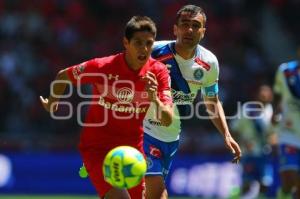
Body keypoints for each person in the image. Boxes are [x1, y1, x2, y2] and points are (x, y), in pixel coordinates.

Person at [40, 16, 173, 199]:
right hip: (98, 149)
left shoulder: (159, 72)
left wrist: (154, 99)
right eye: (138, 43)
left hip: (133, 151)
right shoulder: (103, 67)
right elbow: (63, 76)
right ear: (126, 42)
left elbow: (167, 120)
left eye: (149, 43)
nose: (144, 49)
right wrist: (52, 102)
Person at [143, 5, 242, 199]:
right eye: (184, 24)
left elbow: (212, 101)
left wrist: (226, 134)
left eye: (195, 26)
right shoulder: (152, 51)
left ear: (203, 32)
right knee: (155, 190)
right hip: (141, 130)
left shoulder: (209, 63)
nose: (189, 30)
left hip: (170, 136)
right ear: (175, 29)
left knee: (151, 195)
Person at [231, 84, 276, 199]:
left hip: (265, 153)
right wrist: (241, 143)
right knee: (247, 183)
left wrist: (273, 141)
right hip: (248, 153)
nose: (264, 95)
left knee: (265, 183)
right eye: (262, 92)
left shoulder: (272, 112)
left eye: (267, 92)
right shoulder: (247, 109)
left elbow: (274, 133)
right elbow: (235, 129)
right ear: (257, 94)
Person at [272, 59, 300, 199]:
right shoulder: (285, 71)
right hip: (289, 134)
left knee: (292, 186)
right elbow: (278, 94)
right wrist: (275, 112)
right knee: (291, 181)